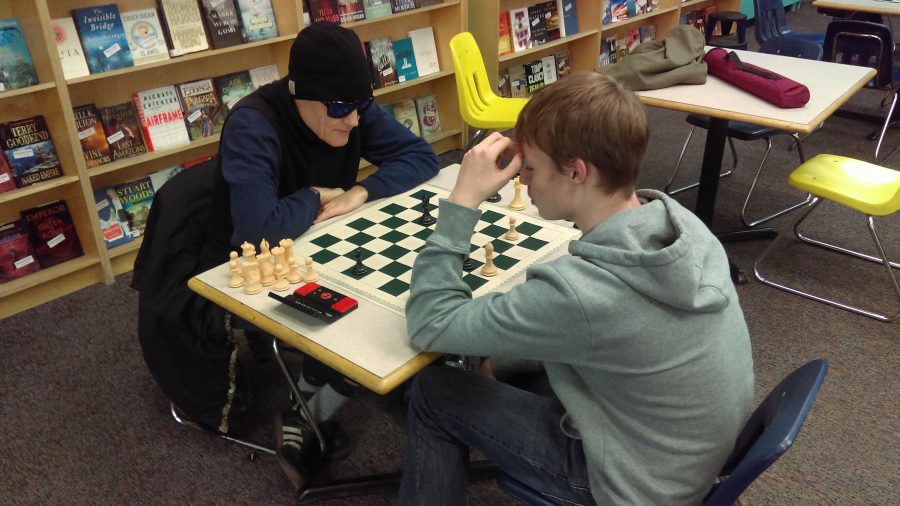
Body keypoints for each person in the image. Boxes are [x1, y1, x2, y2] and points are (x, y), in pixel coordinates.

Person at [397, 71, 754, 504]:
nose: (520, 180)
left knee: (435, 393)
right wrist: (499, 364)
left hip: (635, 487)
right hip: (681, 456)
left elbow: (430, 323)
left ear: (576, 170)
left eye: (529, 166)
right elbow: (586, 329)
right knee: (499, 358)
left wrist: (462, 200)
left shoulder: (580, 292)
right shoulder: (678, 223)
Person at [132, 22, 439, 490]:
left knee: (374, 298)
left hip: (303, 238)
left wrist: (361, 191)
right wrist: (313, 195)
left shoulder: (349, 104)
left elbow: (421, 157)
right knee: (355, 313)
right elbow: (254, 229)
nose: (354, 121)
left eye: (360, 107)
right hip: (223, 248)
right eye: (340, 109)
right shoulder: (253, 123)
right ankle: (315, 402)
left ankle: (332, 388)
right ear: (302, 95)